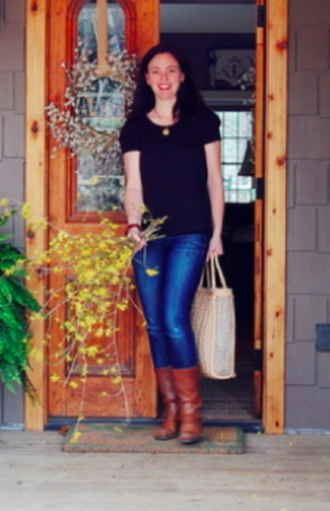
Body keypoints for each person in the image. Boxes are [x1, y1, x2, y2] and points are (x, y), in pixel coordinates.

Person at [119, 43, 224, 445]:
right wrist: (132, 224)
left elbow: (215, 181)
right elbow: (134, 184)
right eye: (155, 71)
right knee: (157, 323)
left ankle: (193, 414)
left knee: (176, 318)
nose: (163, 77)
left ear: (181, 76)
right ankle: (173, 410)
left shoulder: (203, 122)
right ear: (147, 78)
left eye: (171, 70)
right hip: (148, 238)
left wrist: (216, 234)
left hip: (191, 233)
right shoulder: (135, 127)